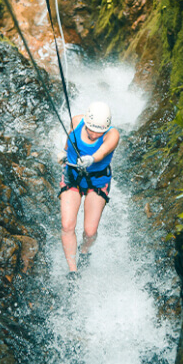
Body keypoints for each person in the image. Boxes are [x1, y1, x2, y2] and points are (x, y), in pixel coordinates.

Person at [56, 101, 120, 273]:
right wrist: (64, 151)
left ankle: (84, 251)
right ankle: (72, 270)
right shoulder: (77, 120)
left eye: (99, 132)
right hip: (73, 176)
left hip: (97, 180)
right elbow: (71, 134)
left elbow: (105, 150)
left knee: (90, 231)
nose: (93, 134)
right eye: (91, 129)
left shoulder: (112, 134)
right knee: (67, 225)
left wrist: (92, 159)